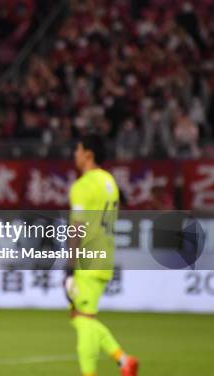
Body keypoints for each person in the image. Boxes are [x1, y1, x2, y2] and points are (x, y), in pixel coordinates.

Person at [65, 134, 139, 376]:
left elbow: (77, 227)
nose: (74, 155)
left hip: (87, 260)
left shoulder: (83, 185)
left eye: (77, 150)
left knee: (83, 320)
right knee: (81, 316)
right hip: (105, 256)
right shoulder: (109, 181)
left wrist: (69, 266)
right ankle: (123, 360)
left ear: (88, 154)